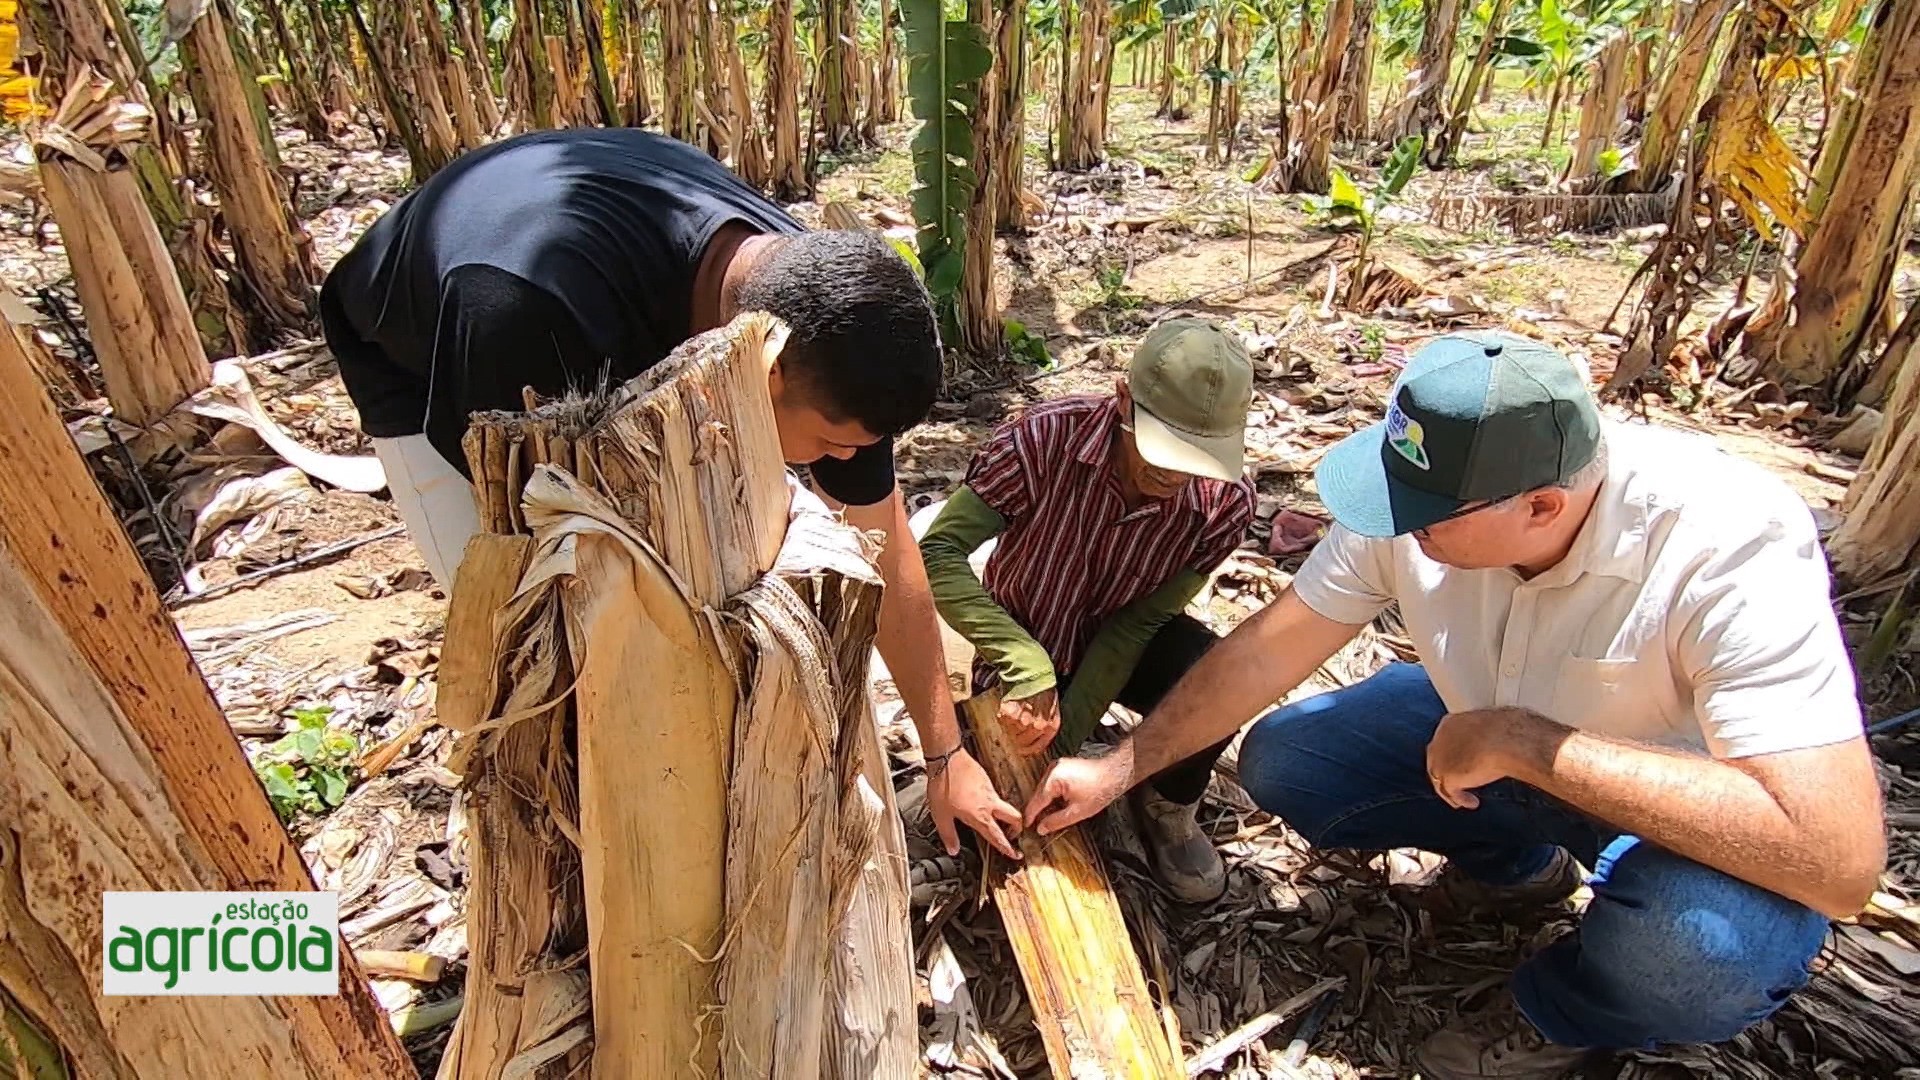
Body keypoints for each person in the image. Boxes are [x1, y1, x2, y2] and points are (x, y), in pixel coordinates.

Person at [1020, 330, 1887, 1079]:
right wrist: (1122, 765)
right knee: (1291, 761)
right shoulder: (1426, 493)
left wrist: (1522, 741)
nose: (1399, 524)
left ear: (1542, 505)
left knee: (1700, 955)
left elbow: (1838, 860)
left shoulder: (1728, 543)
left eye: (1427, 518)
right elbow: (1271, 647)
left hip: (1679, 815)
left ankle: (1564, 1011)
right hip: (1484, 739)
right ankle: (1515, 871)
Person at [321, 127, 1027, 863]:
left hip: (617, 290)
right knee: (533, 644)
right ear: (771, 367)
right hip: (432, 344)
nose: (843, 462)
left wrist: (945, 755)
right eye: (833, 444)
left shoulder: (828, 317)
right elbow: (539, 536)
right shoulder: (520, 315)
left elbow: (884, 544)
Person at [919, 318, 1257, 902]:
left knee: (1219, 677)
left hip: (1122, 640)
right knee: (995, 807)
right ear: (1123, 401)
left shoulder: (1224, 505)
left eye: (1196, 459)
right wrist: (1023, 662)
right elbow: (937, 553)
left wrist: (1069, 733)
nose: (1174, 474)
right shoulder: (1042, 441)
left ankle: (1168, 802)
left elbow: (1138, 624)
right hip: (1027, 630)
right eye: (1163, 450)